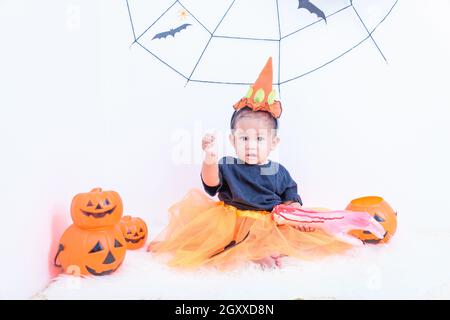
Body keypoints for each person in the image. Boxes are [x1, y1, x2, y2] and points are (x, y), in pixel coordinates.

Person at [148, 58, 364, 270]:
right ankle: (254, 253)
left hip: (267, 222)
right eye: (244, 138)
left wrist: (295, 211)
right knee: (207, 241)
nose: (251, 145)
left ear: (273, 143)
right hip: (230, 220)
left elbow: (291, 197)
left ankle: (265, 249)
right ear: (232, 140)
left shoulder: (279, 172)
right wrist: (210, 158)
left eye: (259, 139)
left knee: (290, 236)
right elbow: (211, 185)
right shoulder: (228, 165)